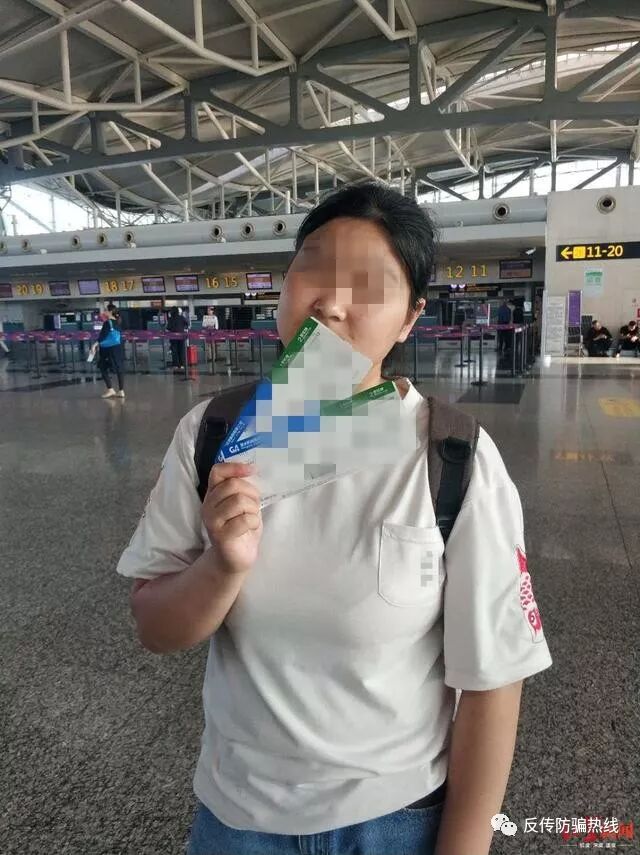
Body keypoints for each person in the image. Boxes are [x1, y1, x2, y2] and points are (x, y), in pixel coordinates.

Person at [118, 182, 552, 855]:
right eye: (313, 266)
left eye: (371, 283)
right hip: (236, 818)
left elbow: (493, 680)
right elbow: (155, 627)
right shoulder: (212, 432)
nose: (331, 300)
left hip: (394, 822)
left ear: (410, 317)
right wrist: (220, 566)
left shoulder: (453, 455)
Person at [94, 303, 125, 399]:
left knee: (102, 367)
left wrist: (94, 345)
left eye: (106, 310)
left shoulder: (108, 323)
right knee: (119, 368)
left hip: (108, 349)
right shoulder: (118, 322)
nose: (104, 312)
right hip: (118, 348)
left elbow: (102, 336)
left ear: (110, 311)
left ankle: (110, 389)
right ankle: (121, 391)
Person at [166, 306, 188, 370]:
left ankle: (175, 365)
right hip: (181, 336)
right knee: (181, 350)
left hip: (173, 337)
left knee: (174, 351)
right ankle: (182, 365)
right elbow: (187, 323)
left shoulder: (170, 318)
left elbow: (168, 328)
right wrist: (183, 328)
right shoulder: (181, 317)